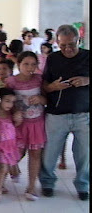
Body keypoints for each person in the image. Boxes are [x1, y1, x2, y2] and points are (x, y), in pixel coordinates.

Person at [39, 25, 89, 201]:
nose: (67, 49)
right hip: (56, 114)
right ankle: (47, 182)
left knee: (84, 153)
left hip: (83, 113)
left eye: (72, 45)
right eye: (63, 45)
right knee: (50, 152)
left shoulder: (87, 56)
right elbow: (43, 85)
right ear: (57, 43)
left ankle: (83, 185)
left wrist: (86, 80)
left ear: (78, 41)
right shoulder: (52, 59)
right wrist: (53, 87)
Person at [5, 51, 47, 201]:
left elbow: (46, 98)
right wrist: (15, 111)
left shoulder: (39, 80)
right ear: (18, 64)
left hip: (37, 123)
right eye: (26, 64)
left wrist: (41, 99)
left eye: (33, 64)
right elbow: (5, 102)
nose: (30, 67)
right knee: (14, 153)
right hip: (18, 125)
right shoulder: (11, 82)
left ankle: (31, 186)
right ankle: (12, 170)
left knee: (35, 154)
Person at [0, 88, 21, 202]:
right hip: (0, 146)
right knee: (3, 167)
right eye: (7, 101)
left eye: (12, 102)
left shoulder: (11, 113)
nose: (10, 104)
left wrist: (18, 118)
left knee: (6, 167)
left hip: (11, 145)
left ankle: (1, 185)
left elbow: (17, 125)